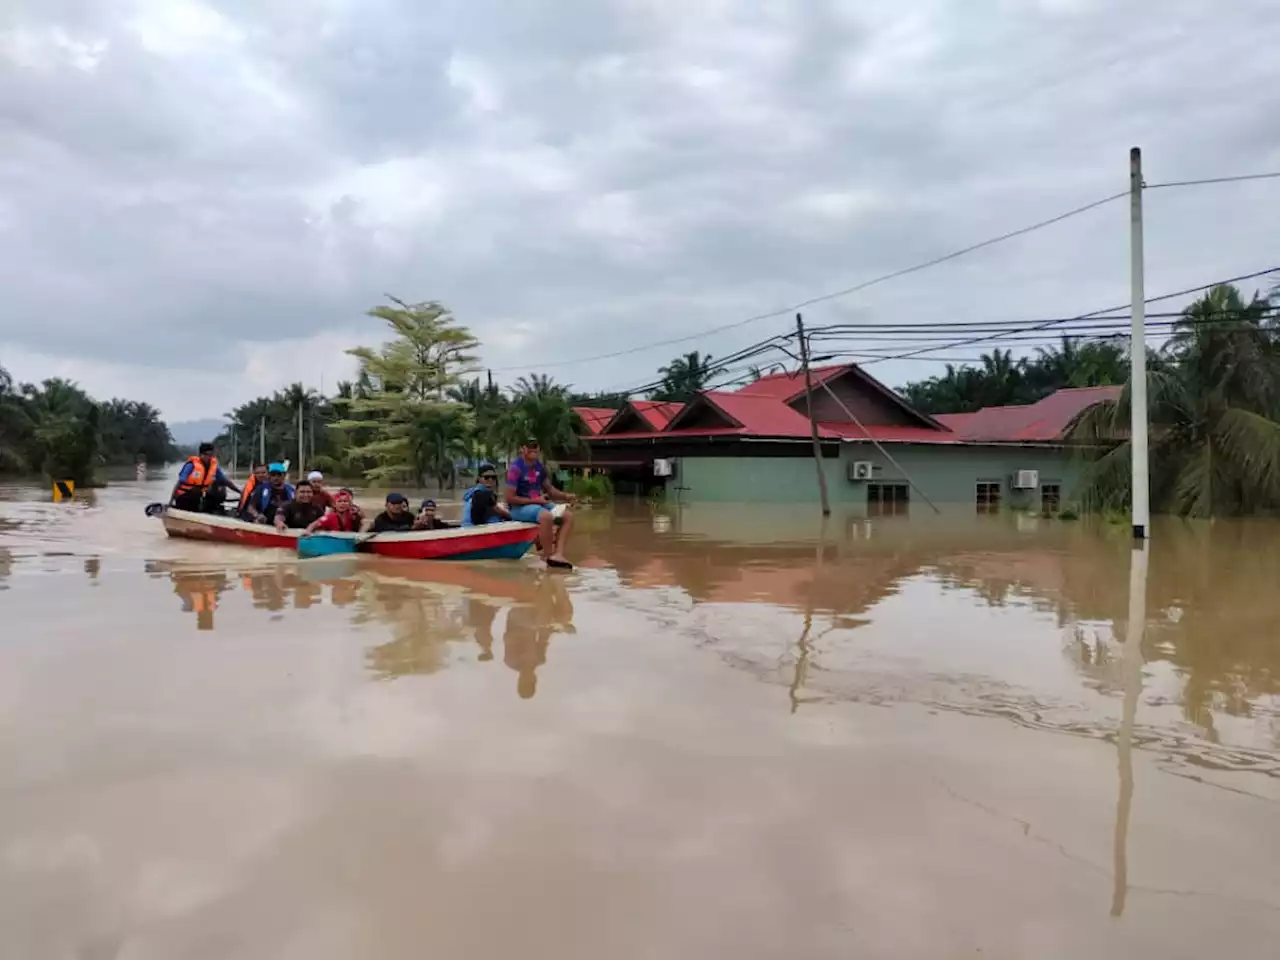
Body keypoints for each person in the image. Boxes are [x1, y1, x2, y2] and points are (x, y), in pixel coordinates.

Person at [505, 439, 576, 568]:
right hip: (519, 508)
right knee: (546, 516)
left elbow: (549, 489)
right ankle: (548, 556)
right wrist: (536, 500)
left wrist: (566, 496)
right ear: (522, 448)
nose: (534, 449)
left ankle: (558, 554)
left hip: (539, 504)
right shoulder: (515, 469)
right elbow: (510, 498)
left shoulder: (539, 466)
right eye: (530, 446)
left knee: (568, 516)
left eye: (536, 446)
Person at [171, 442, 240, 513]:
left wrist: (240, 492)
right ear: (200, 454)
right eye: (207, 455)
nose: (209, 457)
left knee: (220, 485)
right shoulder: (191, 465)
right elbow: (179, 483)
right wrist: (171, 501)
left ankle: (212, 509)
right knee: (196, 493)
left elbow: (226, 482)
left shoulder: (214, 467)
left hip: (200, 497)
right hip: (184, 496)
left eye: (211, 455)